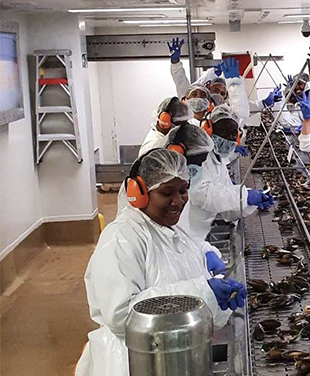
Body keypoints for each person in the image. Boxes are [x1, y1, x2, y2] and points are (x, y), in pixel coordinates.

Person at [75, 148, 246, 376]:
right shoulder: (122, 239)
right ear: (139, 192)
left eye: (183, 190)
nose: (178, 201)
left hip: (176, 355)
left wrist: (217, 302)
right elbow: (121, 316)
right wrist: (202, 292)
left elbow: (184, 287)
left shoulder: (173, 232)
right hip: (133, 363)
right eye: (167, 193)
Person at [182, 105, 274, 241]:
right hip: (187, 233)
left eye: (233, 134)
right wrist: (244, 196)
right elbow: (200, 195)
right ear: (208, 129)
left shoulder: (218, 159)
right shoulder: (197, 158)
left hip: (200, 234)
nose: (229, 137)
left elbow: (226, 210)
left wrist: (249, 204)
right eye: (223, 131)